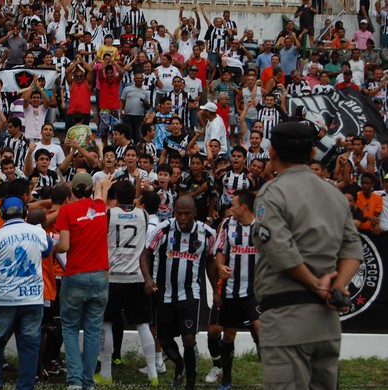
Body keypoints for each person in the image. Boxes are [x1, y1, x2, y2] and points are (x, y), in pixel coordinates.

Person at [253, 121, 363, 390]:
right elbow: (352, 249)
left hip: (287, 317)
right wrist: (336, 286)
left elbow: (280, 250)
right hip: (326, 323)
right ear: (312, 154)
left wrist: (316, 286)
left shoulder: (272, 192)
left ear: (272, 152)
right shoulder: (334, 195)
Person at [140, 195, 219, 390]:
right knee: (165, 339)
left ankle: (190, 384)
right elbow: (145, 254)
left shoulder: (206, 233)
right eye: (179, 213)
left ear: (195, 213)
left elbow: (210, 260)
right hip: (164, 293)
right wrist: (148, 279)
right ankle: (179, 364)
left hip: (190, 294)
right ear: (174, 212)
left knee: (188, 338)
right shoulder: (163, 229)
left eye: (187, 214)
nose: (182, 218)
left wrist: (215, 290)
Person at [0, 196, 52, 390]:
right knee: (29, 345)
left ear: (2, 214)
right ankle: (25, 386)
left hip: (3, 299)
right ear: (25, 212)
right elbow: (47, 251)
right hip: (32, 299)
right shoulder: (38, 232)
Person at [53, 172, 114, 390]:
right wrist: (103, 186)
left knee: (69, 328)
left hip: (75, 275)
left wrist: (52, 248)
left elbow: (65, 246)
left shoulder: (67, 211)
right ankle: (88, 382)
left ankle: (75, 381)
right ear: (89, 191)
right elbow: (100, 195)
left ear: (71, 191)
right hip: (100, 276)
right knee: (92, 329)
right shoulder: (99, 207)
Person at [94, 180, 158, 386]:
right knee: (142, 324)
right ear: (134, 197)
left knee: (106, 323)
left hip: (114, 276)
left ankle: (106, 373)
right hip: (138, 276)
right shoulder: (144, 215)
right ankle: (153, 373)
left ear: (115, 197)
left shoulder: (109, 214)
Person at [215, 189, 260, 390]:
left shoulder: (262, 227)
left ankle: (272, 376)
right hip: (232, 291)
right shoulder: (227, 224)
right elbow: (220, 252)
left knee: (261, 330)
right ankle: (226, 378)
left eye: (233, 204)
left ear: (243, 207)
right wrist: (220, 266)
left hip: (255, 291)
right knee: (229, 335)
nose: (230, 208)